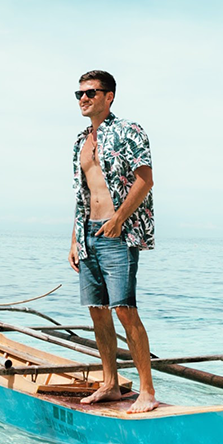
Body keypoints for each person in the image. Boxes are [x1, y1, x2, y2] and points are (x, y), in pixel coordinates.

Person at [67, 70, 159, 414]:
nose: (83, 98)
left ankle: (146, 391)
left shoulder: (129, 131)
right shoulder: (79, 141)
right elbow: (81, 195)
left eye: (90, 92)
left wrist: (119, 219)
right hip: (88, 233)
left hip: (118, 232)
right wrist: (75, 239)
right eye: (78, 94)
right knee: (97, 311)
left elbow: (145, 180)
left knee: (124, 309)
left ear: (109, 96)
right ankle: (110, 383)